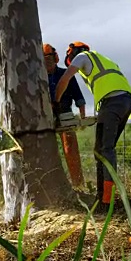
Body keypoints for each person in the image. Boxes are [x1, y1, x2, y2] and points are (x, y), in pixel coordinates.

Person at [52, 41, 131, 209]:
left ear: (72, 54)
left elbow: (65, 79)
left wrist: (55, 102)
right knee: (102, 149)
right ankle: (104, 195)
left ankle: (106, 200)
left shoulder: (82, 57)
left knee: (104, 150)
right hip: (126, 101)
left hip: (111, 102)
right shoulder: (105, 60)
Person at [44, 43, 86, 187]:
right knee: (46, 149)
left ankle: (78, 182)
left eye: (49, 59)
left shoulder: (65, 74)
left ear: (55, 58)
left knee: (70, 147)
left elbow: (78, 97)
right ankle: (53, 184)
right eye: (44, 60)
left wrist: (83, 115)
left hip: (65, 111)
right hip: (44, 114)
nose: (47, 63)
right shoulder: (36, 78)